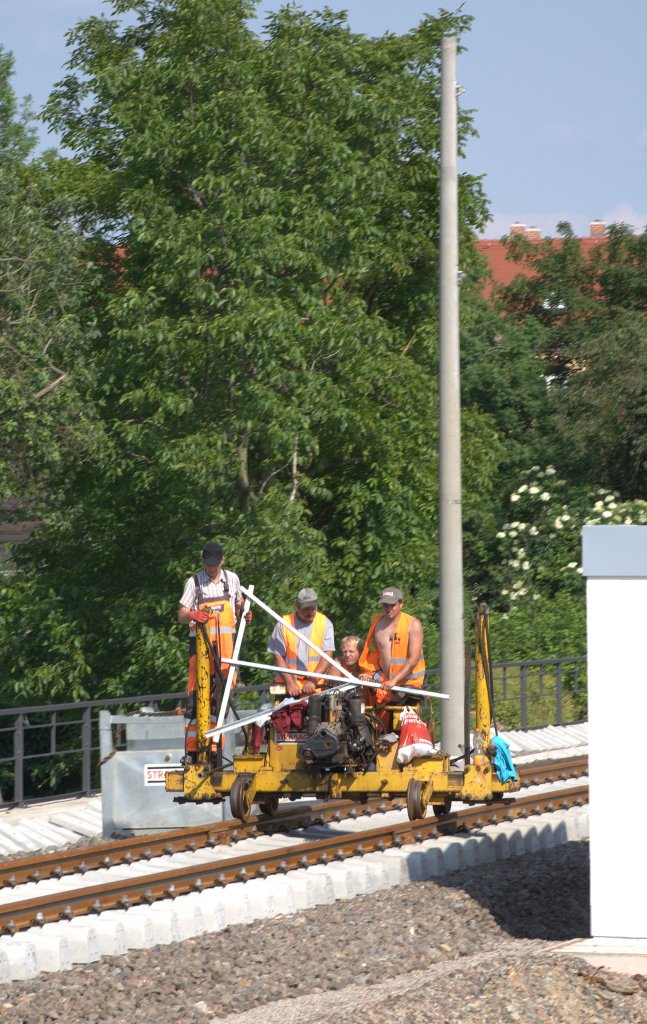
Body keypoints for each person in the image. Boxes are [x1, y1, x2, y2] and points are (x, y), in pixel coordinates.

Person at [178, 542, 249, 752]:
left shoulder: (232, 580)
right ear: (203, 563)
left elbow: (239, 604)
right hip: (200, 654)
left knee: (221, 702)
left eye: (215, 564)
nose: (211, 568)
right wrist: (191, 614)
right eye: (208, 565)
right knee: (195, 699)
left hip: (226, 655)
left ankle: (215, 748)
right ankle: (193, 750)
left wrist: (243, 612)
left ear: (222, 560)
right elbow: (181, 614)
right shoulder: (194, 583)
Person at [358, 587, 425, 714]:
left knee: (402, 725)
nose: (388, 609)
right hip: (385, 682)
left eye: (392, 605)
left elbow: (413, 659)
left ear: (401, 604)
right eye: (385, 605)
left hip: (409, 684)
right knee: (378, 721)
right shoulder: (377, 624)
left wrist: (394, 680)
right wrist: (372, 674)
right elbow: (378, 656)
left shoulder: (413, 624)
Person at [268, 587, 335, 698]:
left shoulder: (325, 623)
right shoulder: (284, 623)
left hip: (316, 686)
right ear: (297, 606)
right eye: (306, 609)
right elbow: (277, 655)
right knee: (285, 715)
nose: (310, 612)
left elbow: (328, 655)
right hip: (287, 686)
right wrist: (290, 682)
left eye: (312, 608)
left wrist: (313, 680)